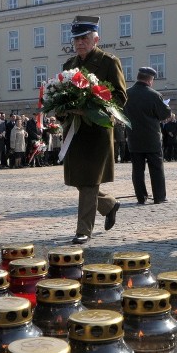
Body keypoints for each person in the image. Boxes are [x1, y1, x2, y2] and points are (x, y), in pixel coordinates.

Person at [60, 15, 126, 245]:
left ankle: (83, 230)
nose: (79, 42)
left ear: (95, 39)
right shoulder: (69, 66)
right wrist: (62, 110)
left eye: (84, 38)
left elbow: (119, 96)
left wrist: (92, 107)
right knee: (79, 179)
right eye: (76, 38)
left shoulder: (109, 62)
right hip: (75, 132)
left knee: (88, 181)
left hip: (97, 131)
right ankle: (108, 204)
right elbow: (60, 97)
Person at [123, 66, 171, 204]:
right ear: (150, 80)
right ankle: (159, 197)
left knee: (137, 170)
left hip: (133, 137)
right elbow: (165, 114)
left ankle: (141, 197)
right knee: (156, 168)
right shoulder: (154, 94)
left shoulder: (127, 94)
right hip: (151, 138)